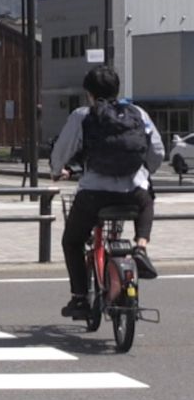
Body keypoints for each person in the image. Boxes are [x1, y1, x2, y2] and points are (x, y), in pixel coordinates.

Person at [50, 66, 163, 320]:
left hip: (94, 195)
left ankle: (79, 298)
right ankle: (141, 248)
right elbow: (157, 151)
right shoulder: (138, 112)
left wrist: (56, 170)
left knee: (72, 241)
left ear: (88, 93)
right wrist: (145, 171)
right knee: (147, 199)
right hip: (134, 193)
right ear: (117, 89)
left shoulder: (82, 115)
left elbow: (62, 150)